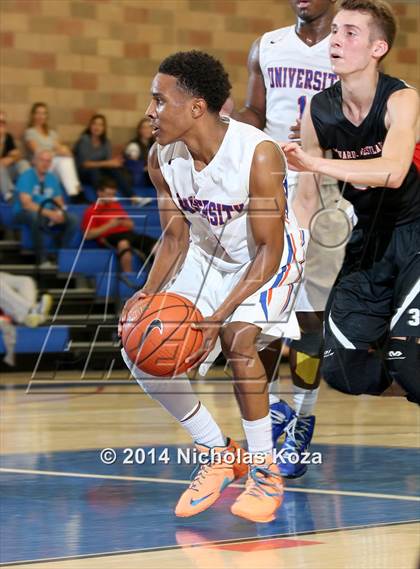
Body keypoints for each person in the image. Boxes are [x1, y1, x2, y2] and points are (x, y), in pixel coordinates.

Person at [119, 51, 307, 523]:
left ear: (196, 107)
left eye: (159, 101)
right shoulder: (162, 157)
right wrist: (147, 294)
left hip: (270, 258)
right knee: (136, 345)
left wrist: (217, 315)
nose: (149, 112)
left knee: (237, 339)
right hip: (209, 255)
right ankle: (218, 451)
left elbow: (267, 251)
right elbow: (175, 236)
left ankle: (265, 471)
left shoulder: (258, 155)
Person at [227, 0, 351, 478]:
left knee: (309, 311)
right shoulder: (267, 45)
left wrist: (330, 131)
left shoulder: (349, 44)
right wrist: (228, 126)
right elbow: (256, 109)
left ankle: (303, 413)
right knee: (258, 305)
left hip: (322, 186)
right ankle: (273, 408)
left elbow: (367, 119)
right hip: (269, 182)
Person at [282, 0, 419, 404]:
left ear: (378, 48)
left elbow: (393, 172)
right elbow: (306, 198)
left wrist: (313, 160)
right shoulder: (318, 112)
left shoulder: (402, 100)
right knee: (341, 368)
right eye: (335, 30)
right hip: (368, 243)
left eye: (350, 33)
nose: (335, 40)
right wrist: (293, 258)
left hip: (415, 234)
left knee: (407, 360)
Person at [13, 150, 79, 265]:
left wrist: (59, 212)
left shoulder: (52, 178)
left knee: (73, 219)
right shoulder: (26, 176)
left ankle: (60, 254)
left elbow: (59, 200)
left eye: (48, 161)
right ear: (34, 161)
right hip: (24, 213)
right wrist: (50, 214)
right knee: (34, 217)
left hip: (47, 212)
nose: (45, 164)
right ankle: (41, 258)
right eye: (42, 160)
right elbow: (26, 204)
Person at [81, 178, 156, 272]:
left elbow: (131, 224)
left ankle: (159, 275)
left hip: (128, 233)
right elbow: (88, 235)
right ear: (99, 193)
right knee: (123, 243)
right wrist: (109, 225)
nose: (111, 197)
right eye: (108, 194)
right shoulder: (91, 210)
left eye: (113, 195)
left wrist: (123, 222)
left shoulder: (116, 205)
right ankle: (128, 277)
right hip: (109, 236)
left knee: (156, 245)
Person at [23, 102, 81, 198]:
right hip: (39, 166)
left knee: (66, 160)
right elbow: (38, 152)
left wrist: (63, 151)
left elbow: (66, 152)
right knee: (61, 158)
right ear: (33, 115)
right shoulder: (30, 132)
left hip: (52, 168)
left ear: (47, 116)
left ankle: (75, 193)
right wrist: (58, 152)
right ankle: (76, 193)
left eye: (44, 113)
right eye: (38, 113)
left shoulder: (52, 133)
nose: (41, 116)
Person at [74, 114, 134, 199]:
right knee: (94, 170)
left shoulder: (106, 142)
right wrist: (108, 163)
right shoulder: (84, 140)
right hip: (83, 173)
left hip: (99, 172)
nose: (97, 127)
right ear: (90, 126)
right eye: (94, 124)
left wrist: (114, 163)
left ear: (104, 128)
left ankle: (133, 197)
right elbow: (85, 164)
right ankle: (102, 198)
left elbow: (108, 163)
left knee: (114, 169)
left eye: (100, 125)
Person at [0, 110, 29, 201]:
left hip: (6, 171)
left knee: (23, 163)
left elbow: (17, 155)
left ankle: (29, 189)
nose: (2, 124)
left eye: (3, 122)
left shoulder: (8, 137)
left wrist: (11, 158)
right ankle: (10, 195)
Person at [124, 117, 154, 187]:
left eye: (149, 127)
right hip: (135, 174)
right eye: (144, 128)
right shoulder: (133, 145)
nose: (147, 130)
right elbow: (133, 165)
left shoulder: (154, 144)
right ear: (139, 130)